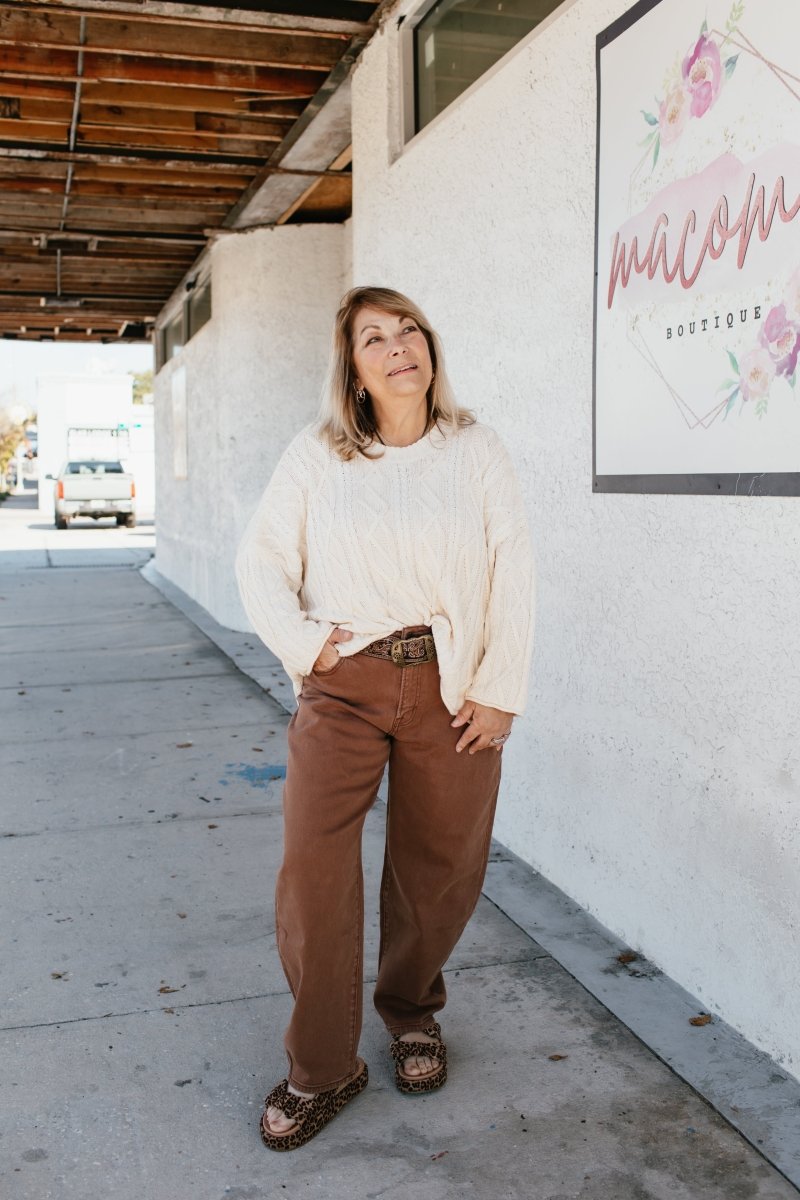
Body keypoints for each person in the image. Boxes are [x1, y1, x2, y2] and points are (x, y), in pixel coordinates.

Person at [235, 285, 535, 1151]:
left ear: (430, 349)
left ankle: (411, 1014)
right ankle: (323, 1068)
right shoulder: (317, 454)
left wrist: (500, 686)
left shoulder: (476, 449)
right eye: (376, 337)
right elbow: (261, 561)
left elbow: (513, 566)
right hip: (344, 684)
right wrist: (305, 646)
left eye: (409, 330)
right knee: (314, 869)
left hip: (453, 683)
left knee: (439, 863)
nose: (398, 345)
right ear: (355, 370)